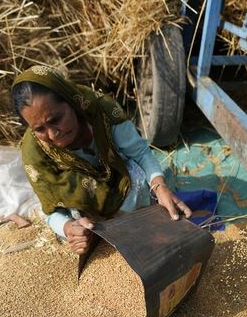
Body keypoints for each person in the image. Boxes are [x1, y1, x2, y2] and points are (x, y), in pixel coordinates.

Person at [11, 65, 191, 254]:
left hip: (121, 181)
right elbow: (51, 211)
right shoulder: (34, 152)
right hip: (85, 209)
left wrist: (159, 186)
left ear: (72, 102)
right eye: (39, 129)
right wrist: (69, 228)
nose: (53, 134)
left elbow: (140, 153)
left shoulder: (101, 110)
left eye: (56, 119)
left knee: (139, 182)